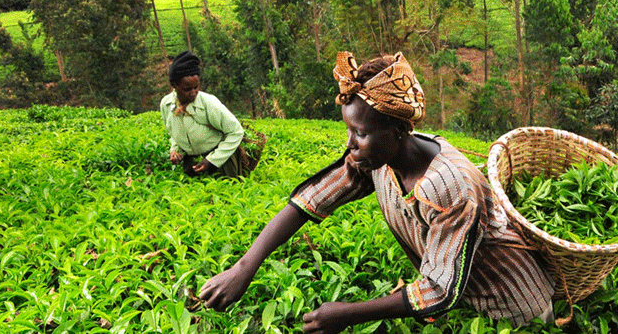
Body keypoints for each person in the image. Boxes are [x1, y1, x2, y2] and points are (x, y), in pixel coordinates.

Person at [199, 51, 555, 332]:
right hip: (464, 301)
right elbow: (314, 198)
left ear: (398, 130)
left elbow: (439, 291)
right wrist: (244, 268)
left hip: (513, 306)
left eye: (360, 134)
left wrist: (347, 314)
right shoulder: (378, 160)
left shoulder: (450, 187)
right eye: (349, 132)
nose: (351, 145)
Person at [160, 50, 245, 178]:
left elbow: (236, 131)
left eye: (196, 87)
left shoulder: (208, 103)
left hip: (221, 161)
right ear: (174, 85)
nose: (193, 93)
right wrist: (175, 150)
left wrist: (212, 160)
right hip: (192, 162)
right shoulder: (166, 105)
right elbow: (173, 133)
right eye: (187, 89)